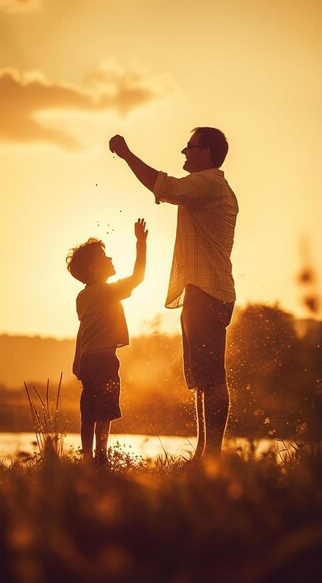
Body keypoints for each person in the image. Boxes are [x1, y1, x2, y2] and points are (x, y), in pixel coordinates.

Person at [109, 128, 238, 461]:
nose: (183, 153)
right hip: (201, 290)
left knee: (211, 377)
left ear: (206, 153)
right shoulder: (205, 187)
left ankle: (213, 456)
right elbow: (167, 189)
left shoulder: (208, 183)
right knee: (200, 379)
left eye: (189, 147)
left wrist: (126, 153)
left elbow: (164, 185)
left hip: (208, 291)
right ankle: (204, 454)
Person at [66, 218, 148, 466]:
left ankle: (87, 457)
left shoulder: (82, 297)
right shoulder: (106, 291)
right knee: (104, 409)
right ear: (93, 269)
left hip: (88, 360)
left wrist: (77, 359)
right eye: (105, 257)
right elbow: (138, 277)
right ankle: (101, 457)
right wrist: (141, 244)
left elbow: (83, 329)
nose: (111, 259)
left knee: (88, 411)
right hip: (104, 360)